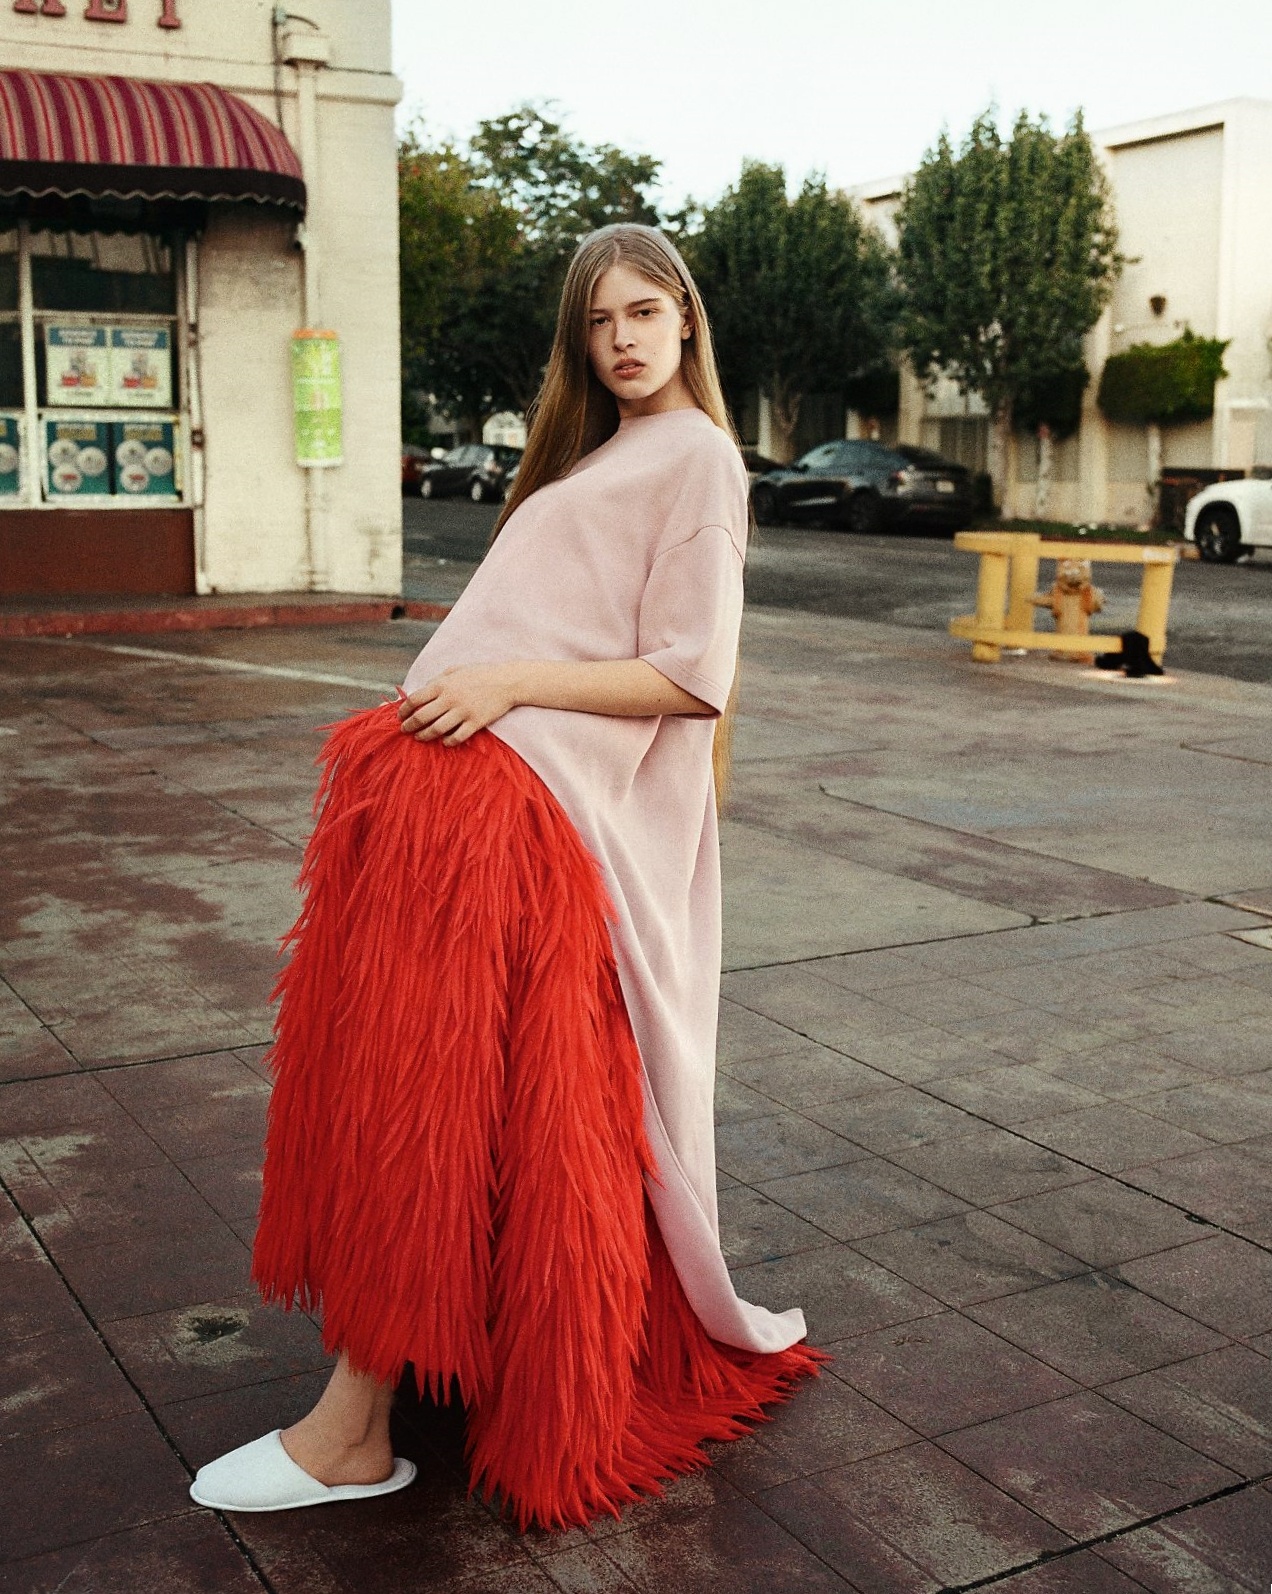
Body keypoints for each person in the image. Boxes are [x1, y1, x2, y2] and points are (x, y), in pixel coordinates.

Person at [190, 223, 824, 1531]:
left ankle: (352, 1425)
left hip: (525, 822)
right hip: (474, 810)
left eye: (644, 311)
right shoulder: (599, 455)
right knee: (426, 1099)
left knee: (430, 1099)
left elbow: (691, 672)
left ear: (688, 317)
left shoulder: (701, 457)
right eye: (599, 321)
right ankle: (406, 1372)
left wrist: (504, 684)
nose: (623, 339)